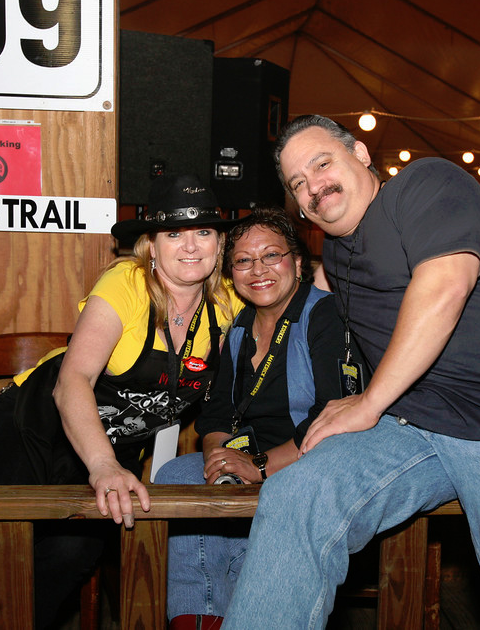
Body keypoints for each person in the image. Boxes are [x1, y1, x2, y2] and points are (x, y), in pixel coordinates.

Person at [222, 115, 480, 629]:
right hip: (411, 426)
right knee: (295, 496)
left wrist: (369, 402)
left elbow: (445, 286)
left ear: (361, 154)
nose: (313, 186)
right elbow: (280, 297)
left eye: (322, 164)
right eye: (298, 183)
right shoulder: (336, 254)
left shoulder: (426, 184)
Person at [0, 173, 243, 629]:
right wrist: (104, 465)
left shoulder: (228, 303)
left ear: (220, 242)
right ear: (152, 244)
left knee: (72, 553)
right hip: (33, 429)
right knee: (0, 559)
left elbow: (289, 302)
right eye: (174, 233)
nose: (190, 246)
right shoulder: (126, 283)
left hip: (112, 449)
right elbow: (73, 380)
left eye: (203, 231)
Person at [153, 207, 364, 630]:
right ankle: (200, 618)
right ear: (231, 274)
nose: (258, 270)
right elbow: (216, 412)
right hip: (247, 459)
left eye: (271, 256)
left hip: (310, 461)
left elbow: (334, 415)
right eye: (244, 260)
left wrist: (260, 466)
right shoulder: (239, 325)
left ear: (298, 263)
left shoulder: (326, 315)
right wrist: (219, 459)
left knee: (273, 502)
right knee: (177, 473)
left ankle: (250, 610)